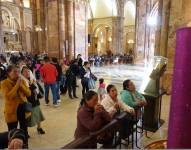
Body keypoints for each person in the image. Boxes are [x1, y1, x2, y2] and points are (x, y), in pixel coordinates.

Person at [1, 65, 31, 146]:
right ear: (8, 73)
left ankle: (25, 146)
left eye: (18, 71)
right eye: (14, 72)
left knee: (24, 129)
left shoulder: (22, 81)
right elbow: (8, 97)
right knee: (12, 132)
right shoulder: (4, 83)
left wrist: (21, 86)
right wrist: (17, 85)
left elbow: (28, 93)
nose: (17, 73)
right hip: (11, 111)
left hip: (23, 108)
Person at [21, 66, 45, 134]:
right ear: (22, 73)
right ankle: (26, 132)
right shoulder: (22, 82)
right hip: (27, 102)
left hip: (35, 100)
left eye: (28, 71)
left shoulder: (32, 80)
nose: (27, 73)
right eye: (25, 71)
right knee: (27, 117)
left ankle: (39, 128)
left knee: (38, 114)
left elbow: (37, 90)